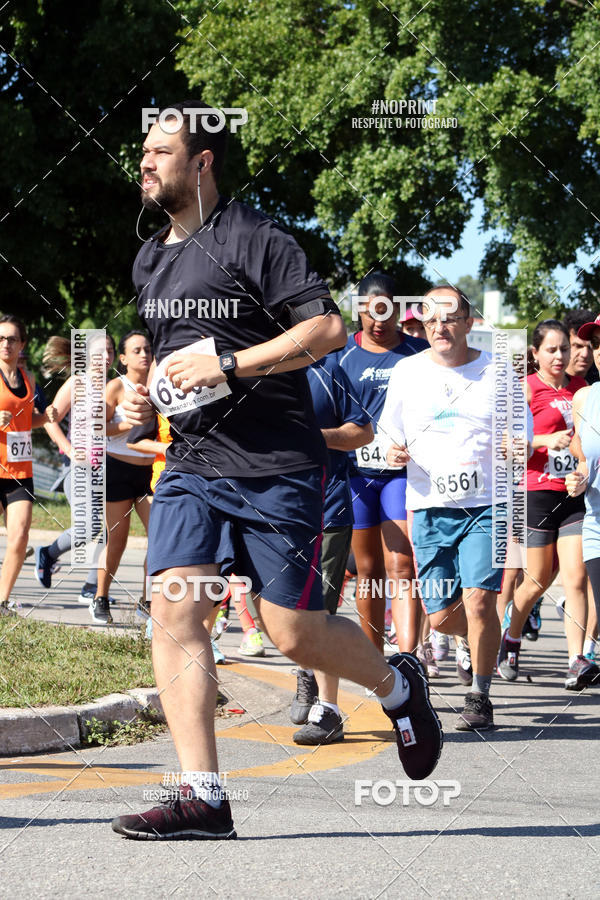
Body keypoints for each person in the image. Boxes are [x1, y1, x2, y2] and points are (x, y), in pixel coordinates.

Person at [110, 100, 442, 841]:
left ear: (202, 163)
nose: (145, 163)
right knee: (173, 605)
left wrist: (229, 362)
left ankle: (396, 685)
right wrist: (156, 385)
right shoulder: (150, 258)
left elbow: (324, 328)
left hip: (277, 465)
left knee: (291, 632)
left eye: (161, 152)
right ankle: (203, 795)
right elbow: (182, 359)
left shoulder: (256, 239)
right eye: (143, 154)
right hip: (195, 461)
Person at [380, 285, 519, 730]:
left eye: (450, 317)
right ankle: (475, 639)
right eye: (432, 318)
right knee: (440, 618)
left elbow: (522, 426)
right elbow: (388, 431)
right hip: (429, 504)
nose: (440, 326)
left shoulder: (498, 371)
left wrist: (519, 442)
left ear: (469, 323)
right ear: (423, 324)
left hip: (487, 503)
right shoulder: (406, 371)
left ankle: (479, 693)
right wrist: (392, 451)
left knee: (480, 601)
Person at [497, 320, 595, 690]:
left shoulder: (583, 390)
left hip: (573, 492)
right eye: (551, 350)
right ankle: (512, 635)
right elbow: (506, 445)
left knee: (576, 576)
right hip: (536, 492)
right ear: (535, 354)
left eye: (564, 350)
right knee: (537, 578)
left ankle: (576, 661)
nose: (560, 356)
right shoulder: (527, 388)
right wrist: (542, 440)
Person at [337, 274, 428, 656]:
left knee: (402, 565)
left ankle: (408, 660)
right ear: (358, 311)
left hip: (402, 475)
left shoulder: (420, 353)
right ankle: (374, 661)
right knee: (367, 570)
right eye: (370, 313)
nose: (378, 322)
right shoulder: (340, 356)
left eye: (386, 311)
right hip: (357, 476)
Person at [291, 353, 373, 744]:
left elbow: (362, 431)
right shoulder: (248, 368)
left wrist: (315, 436)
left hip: (328, 506)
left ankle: (329, 711)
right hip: (268, 512)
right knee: (284, 608)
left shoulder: (326, 369)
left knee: (320, 609)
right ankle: (304, 667)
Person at [33, 333, 116, 602]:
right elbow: (48, 419)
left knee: (110, 529)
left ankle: (92, 588)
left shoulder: (115, 386)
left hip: (110, 468)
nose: (105, 358)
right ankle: (48, 552)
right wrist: (68, 449)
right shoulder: (77, 383)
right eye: (99, 352)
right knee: (90, 526)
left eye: (110, 352)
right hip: (79, 467)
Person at [91, 331, 154, 625]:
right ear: (124, 358)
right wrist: (127, 423)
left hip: (150, 472)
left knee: (160, 539)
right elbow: (96, 428)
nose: (144, 354)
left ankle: (148, 601)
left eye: (148, 349)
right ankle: (100, 598)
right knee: (117, 539)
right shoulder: (116, 386)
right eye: (137, 350)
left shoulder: (160, 386)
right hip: (116, 468)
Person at [0, 316, 56, 615]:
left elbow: (27, 422)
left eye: (11, 339)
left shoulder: (29, 379)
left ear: (22, 344)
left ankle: (2, 601)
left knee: (20, 536)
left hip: (20, 471)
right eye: (0, 339)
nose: (5, 344)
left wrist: (46, 418)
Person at [564, 313, 600, 685]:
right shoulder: (584, 398)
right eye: (597, 344)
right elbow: (586, 456)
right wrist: (580, 477)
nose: (599, 352)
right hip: (596, 524)